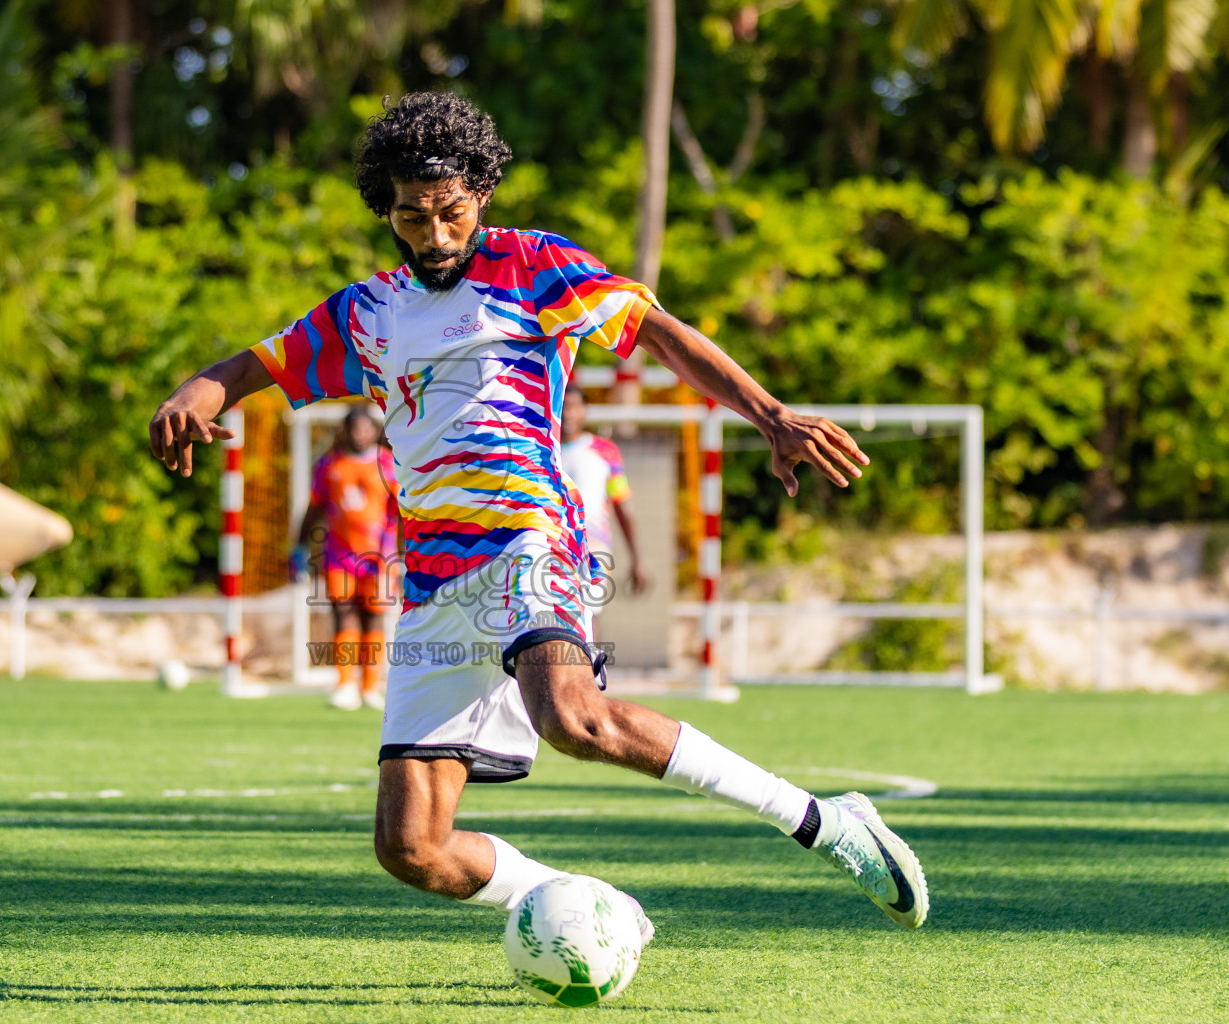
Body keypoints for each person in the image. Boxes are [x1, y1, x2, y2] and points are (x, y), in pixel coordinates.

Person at [150, 92, 927, 935]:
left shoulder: (536, 267)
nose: (437, 234)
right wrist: (202, 386)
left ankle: (823, 821)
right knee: (411, 848)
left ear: (481, 192)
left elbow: (659, 333)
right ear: (389, 211)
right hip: (431, 580)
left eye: (451, 212)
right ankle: (583, 905)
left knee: (573, 717)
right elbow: (260, 362)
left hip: (531, 537)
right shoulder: (366, 312)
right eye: (414, 217)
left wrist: (773, 414)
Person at [291, 406, 400, 710]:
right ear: (345, 430)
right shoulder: (330, 465)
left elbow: (402, 512)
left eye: (366, 428)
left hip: (381, 555)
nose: (360, 434)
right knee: (344, 613)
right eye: (354, 428)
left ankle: (369, 687)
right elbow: (314, 508)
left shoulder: (388, 463)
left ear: (375, 431)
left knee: (375, 615)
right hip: (339, 554)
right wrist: (299, 548)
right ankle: (344, 685)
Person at [559, 384, 646, 598]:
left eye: (574, 406)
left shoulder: (605, 451)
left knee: (589, 613)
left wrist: (636, 559)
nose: (568, 413)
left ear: (584, 410)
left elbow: (622, 505)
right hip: (551, 542)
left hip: (594, 545)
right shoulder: (541, 450)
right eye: (563, 407)